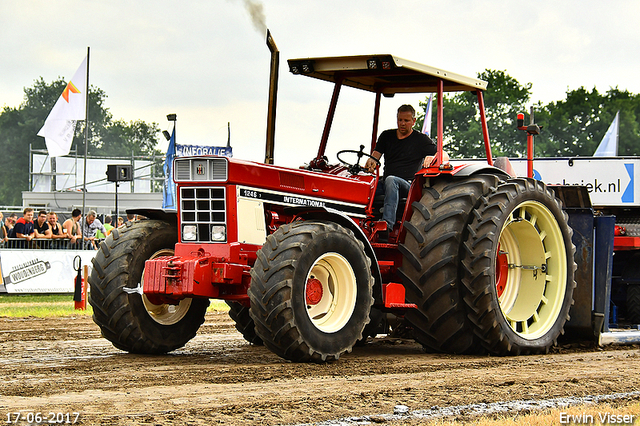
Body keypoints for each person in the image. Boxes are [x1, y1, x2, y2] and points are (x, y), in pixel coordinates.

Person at [364, 104, 443, 240]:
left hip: (407, 186)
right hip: (386, 183)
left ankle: (386, 225)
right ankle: (361, 224)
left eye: (406, 121)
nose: (402, 123)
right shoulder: (387, 136)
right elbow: (375, 156)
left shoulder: (421, 140)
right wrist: (371, 162)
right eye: (400, 120)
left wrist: (433, 156)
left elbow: (443, 155)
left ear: (414, 121)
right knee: (365, 185)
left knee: (391, 180)